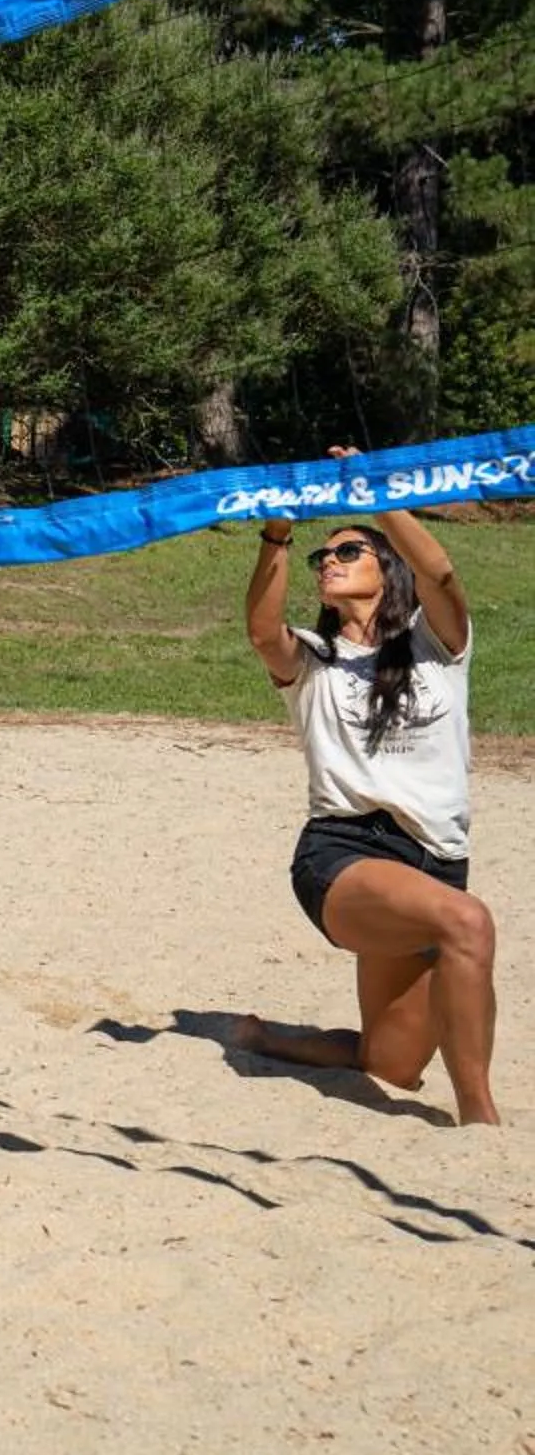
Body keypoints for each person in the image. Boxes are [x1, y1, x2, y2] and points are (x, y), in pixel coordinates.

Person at [238, 461, 498, 1127]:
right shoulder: (314, 660)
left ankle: (272, 1040)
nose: (329, 561)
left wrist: (379, 494)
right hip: (345, 852)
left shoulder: (437, 645)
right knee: (468, 922)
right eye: (323, 556)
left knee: (392, 1065)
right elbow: (264, 633)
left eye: (348, 551)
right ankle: (482, 1120)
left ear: (387, 567)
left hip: (435, 861)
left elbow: (440, 574)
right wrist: (278, 533)